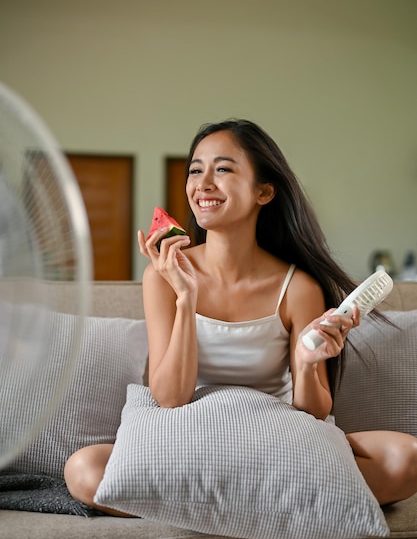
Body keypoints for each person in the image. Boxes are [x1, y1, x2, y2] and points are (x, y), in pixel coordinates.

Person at [65, 118, 417, 513]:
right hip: (191, 438)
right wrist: (186, 297)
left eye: (224, 169)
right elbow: (169, 398)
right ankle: (270, 505)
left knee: (407, 456)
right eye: (196, 170)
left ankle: (213, 505)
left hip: (274, 440)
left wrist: (304, 363)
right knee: (84, 469)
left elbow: (316, 412)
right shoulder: (163, 276)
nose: (203, 183)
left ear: (264, 191)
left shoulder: (298, 288)